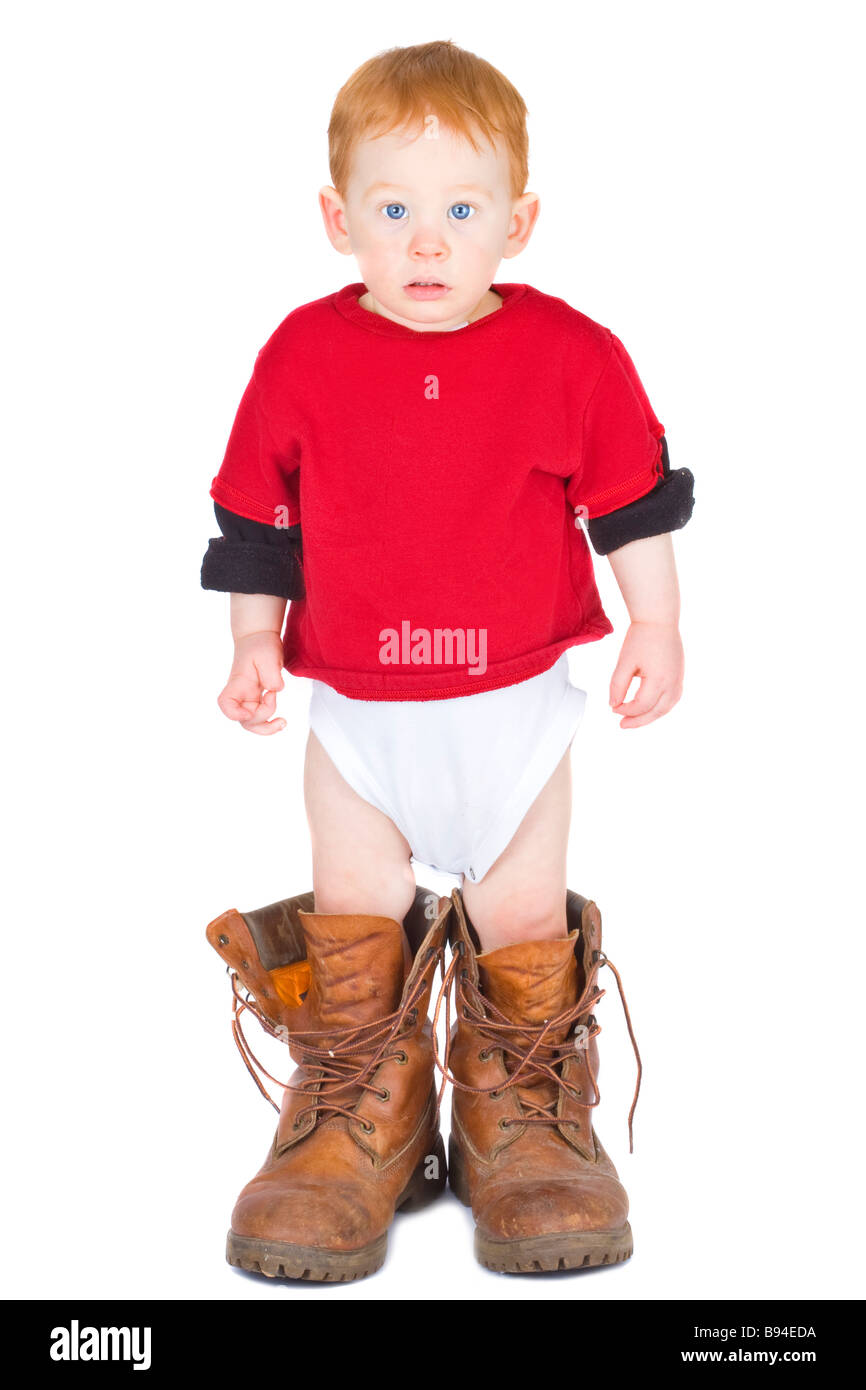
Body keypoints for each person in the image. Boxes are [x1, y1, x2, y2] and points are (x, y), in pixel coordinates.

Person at [201, 39, 694, 1281]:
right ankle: (363, 1106)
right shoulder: (301, 359)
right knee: (354, 909)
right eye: (394, 210)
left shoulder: (571, 357)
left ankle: (515, 1109)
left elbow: (627, 504)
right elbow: (260, 518)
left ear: (516, 223)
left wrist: (655, 622)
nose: (427, 242)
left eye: (461, 211)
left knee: (518, 915)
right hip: (359, 722)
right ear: (337, 218)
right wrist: (254, 640)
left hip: (514, 712)